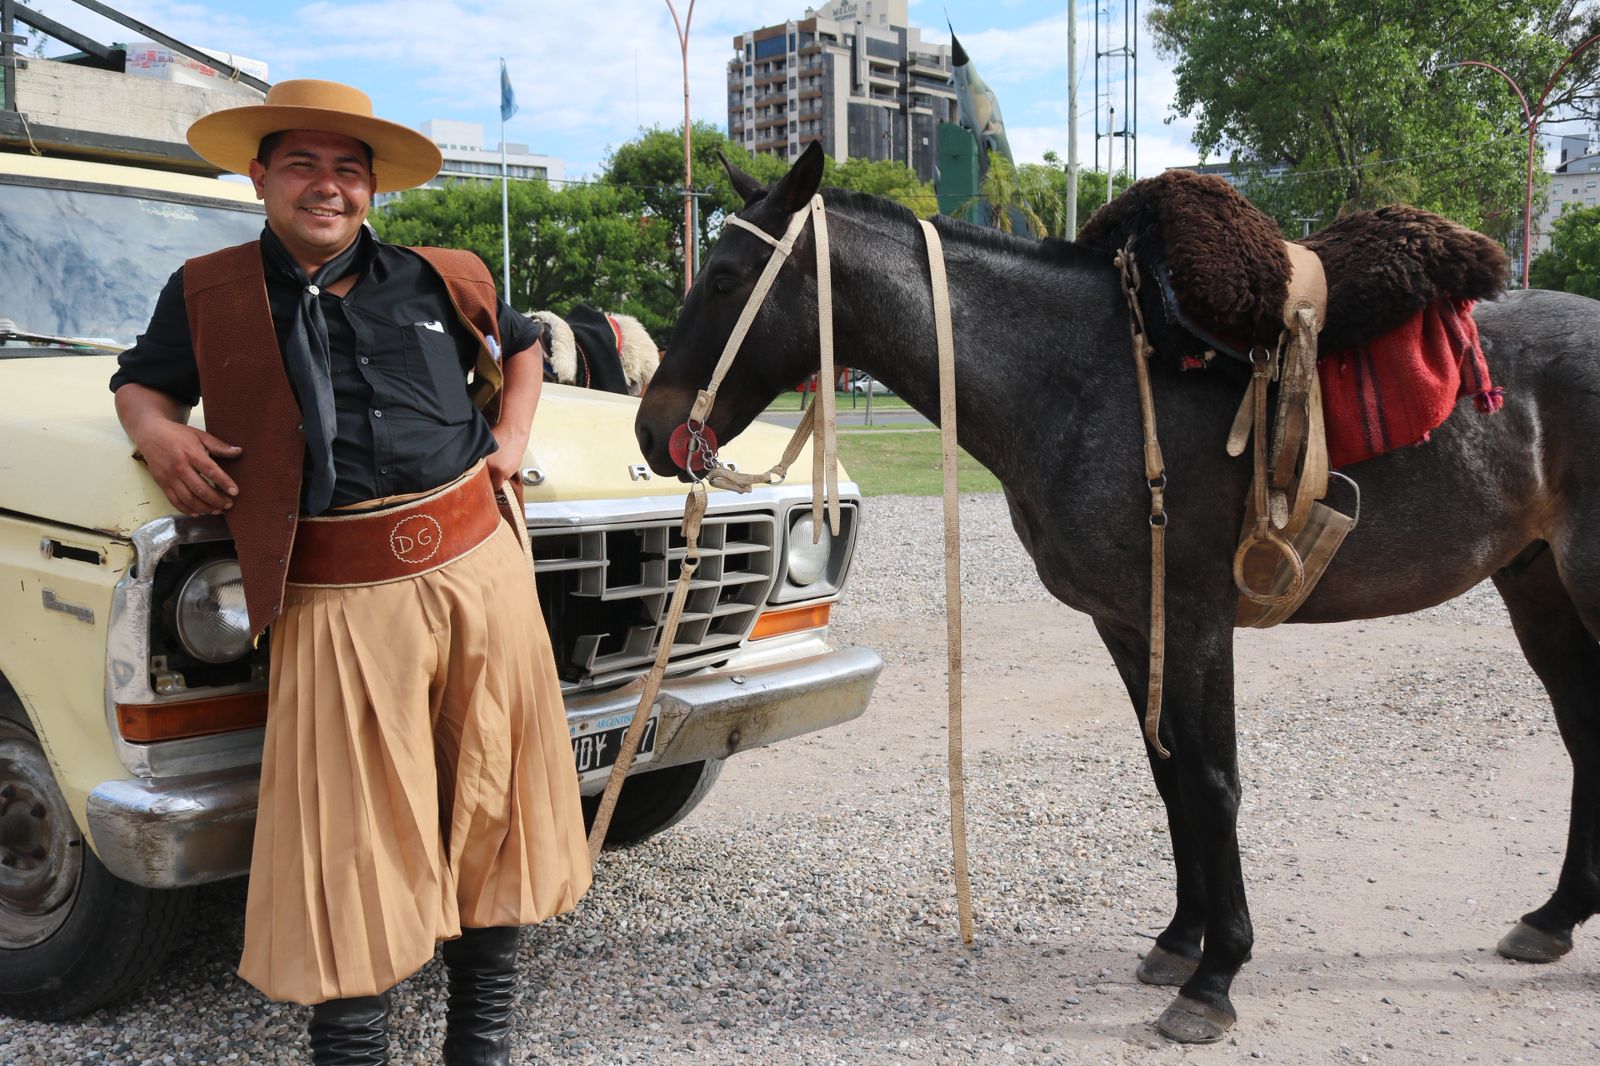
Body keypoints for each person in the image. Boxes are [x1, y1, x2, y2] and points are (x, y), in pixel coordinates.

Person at [110, 79, 591, 1065]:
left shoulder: (444, 276)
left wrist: (510, 436)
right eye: (302, 165)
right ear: (260, 177)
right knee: (349, 840)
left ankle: (481, 1045)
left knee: (490, 804)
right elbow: (142, 385)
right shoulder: (207, 291)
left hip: (479, 572)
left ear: (372, 187)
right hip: (333, 594)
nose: (326, 186)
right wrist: (157, 432)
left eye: (346, 169)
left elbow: (525, 347)